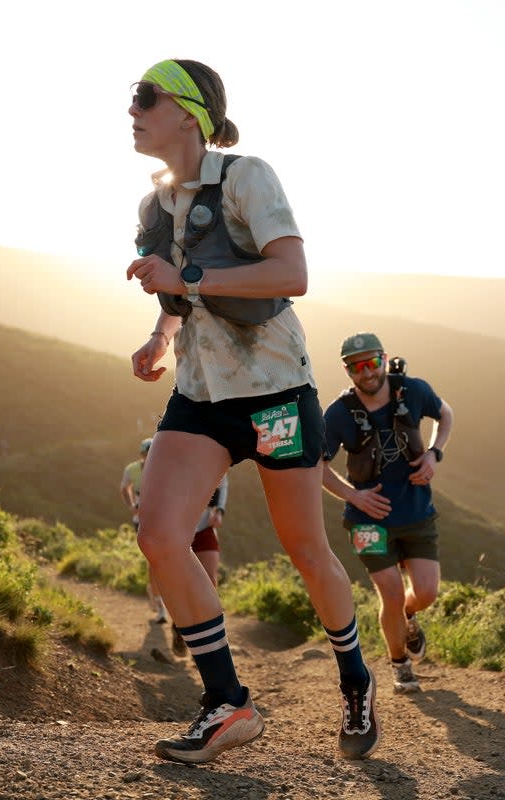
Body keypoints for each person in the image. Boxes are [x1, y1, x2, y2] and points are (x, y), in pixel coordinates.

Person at [123, 58, 378, 764]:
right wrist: (157, 336)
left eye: (146, 96)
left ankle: (355, 680)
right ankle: (227, 701)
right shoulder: (154, 207)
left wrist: (189, 277)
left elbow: (291, 274)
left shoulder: (246, 176)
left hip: (272, 394)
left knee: (305, 549)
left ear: (190, 112)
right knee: (159, 533)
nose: (132, 109)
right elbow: (178, 303)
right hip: (201, 396)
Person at [321, 332, 455, 694]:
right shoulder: (338, 414)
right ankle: (400, 664)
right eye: (356, 366)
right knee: (391, 596)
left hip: (416, 512)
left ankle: (408, 617)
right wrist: (354, 496)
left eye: (372, 362)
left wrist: (433, 454)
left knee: (425, 593)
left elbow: (445, 414)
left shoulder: (412, 391)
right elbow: (316, 465)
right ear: (348, 371)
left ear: (384, 358)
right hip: (367, 521)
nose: (366, 372)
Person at [172, 472, 229, 657]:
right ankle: (180, 627)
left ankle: (207, 636)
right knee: (181, 583)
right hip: (178, 529)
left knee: (210, 580)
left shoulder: (215, 453)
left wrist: (219, 510)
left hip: (205, 528)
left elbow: (223, 482)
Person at [119, 437, 168, 622]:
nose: (149, 458)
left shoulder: (163, 469)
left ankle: (157, 595)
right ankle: (160, 605)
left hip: (160, 518)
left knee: (162, 560)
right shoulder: (131, 470)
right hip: (141, 519)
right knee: (154, 561)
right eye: (146, 454)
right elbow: (125, 488)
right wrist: (132, 505)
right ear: (141, 455)